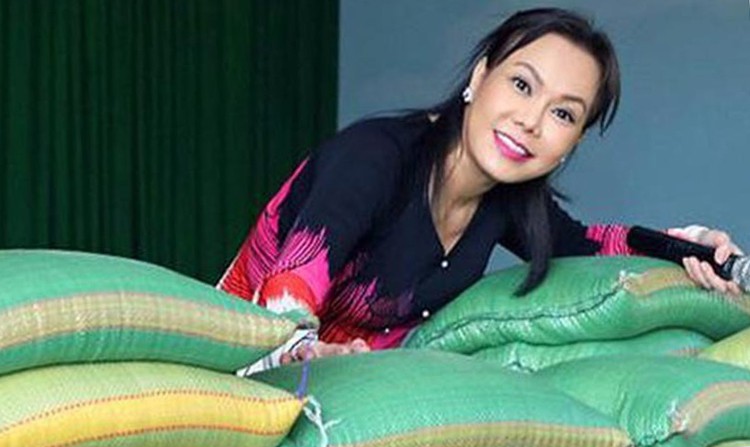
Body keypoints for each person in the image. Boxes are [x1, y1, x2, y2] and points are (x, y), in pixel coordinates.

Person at [218, 8, 743, 367]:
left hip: (360, 392)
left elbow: (591, 245)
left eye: (563, 113)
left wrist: (688, 244)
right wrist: (307, 350)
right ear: (479, 76)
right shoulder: (374, 156)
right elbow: (288, 289)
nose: (530, 121)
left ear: (574, 142)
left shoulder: (507, 201)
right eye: (521, 85)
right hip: (248, 361)